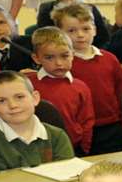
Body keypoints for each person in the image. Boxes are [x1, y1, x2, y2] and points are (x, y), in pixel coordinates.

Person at [55, 2, 122, 155]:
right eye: (72, 30)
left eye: (86, 29)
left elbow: (121, 90)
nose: (80, 35)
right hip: (82, 130)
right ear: (60, 33)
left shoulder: (109, 59)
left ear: (95, 30)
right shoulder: (60, 65)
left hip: (113, 126)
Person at [0, 70, 74, 172]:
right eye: (1, 101)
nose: (13, 105)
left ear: (35, 98)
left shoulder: (57, 136)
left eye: (19, 97)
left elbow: (66, 174)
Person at [29, 26, 96, 154]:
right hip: (37, 148)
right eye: (49, 58)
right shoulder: (28, 84)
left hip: (74, 146)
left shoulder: (80, 87)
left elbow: (87, 121)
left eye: (64, 56)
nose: (59, 63)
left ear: (72, 55)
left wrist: (84, 148)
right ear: (36, 58)